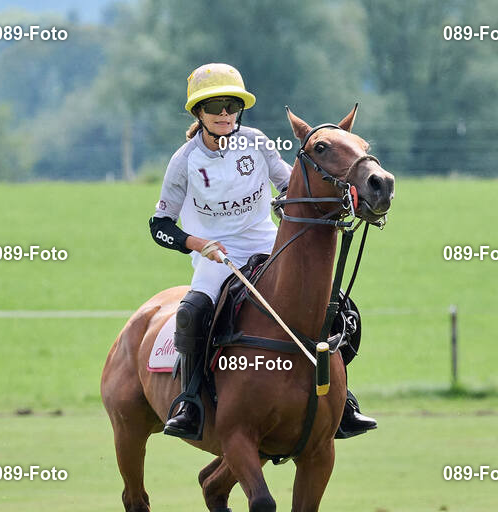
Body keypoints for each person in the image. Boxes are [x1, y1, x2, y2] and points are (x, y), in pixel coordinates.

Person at [149, 62, 376, 440]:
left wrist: (338, 196)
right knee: (192, 312)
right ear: (198, 112)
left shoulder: (256, 142)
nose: (225, 113)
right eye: (215, 105)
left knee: (339, 307)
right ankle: (190, 402)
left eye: (233, 105)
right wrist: (199, 244)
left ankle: (342, 400)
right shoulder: (184, 161)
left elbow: (291, 186)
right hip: (217, 257)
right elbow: (160, 226)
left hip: (268, 245)